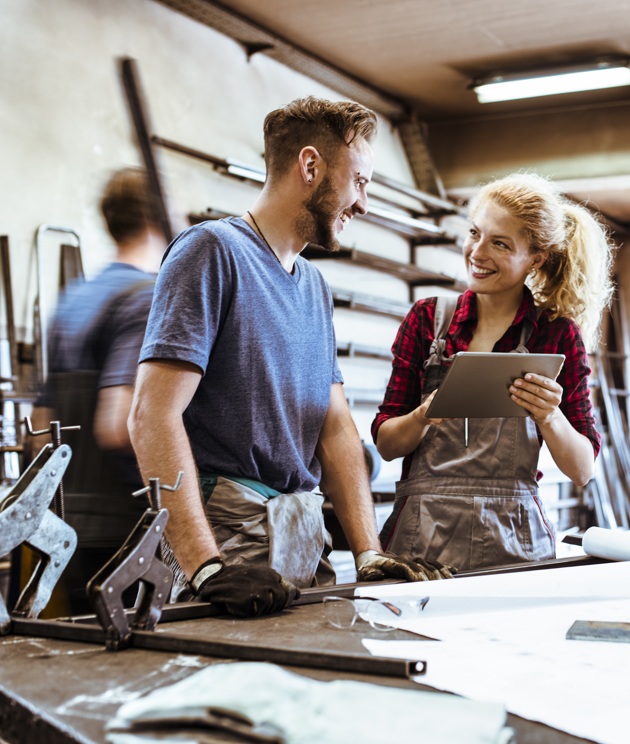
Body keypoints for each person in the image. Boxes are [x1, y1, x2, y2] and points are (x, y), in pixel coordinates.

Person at [128, 97, 450, 619]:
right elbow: (151, 416)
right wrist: (206, 567)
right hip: (226, 541)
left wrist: (368, 552)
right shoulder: (213, 252)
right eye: (360, 182)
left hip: (303, 532)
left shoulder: (314, 287)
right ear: (309, 166)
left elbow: (336, 427)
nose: (363, 204)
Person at [373, 173, 614, 571]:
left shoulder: (555, 334)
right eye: (474, 233)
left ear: (535, 258)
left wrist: (549, 416)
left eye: (499, 243)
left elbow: (582, 469)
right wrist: (423, 415)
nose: (476, 252)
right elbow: (385, 443)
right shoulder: (427, 321)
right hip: (421, 541)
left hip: (515, 542)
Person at [33, 168, 165, 614]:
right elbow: (116, 426)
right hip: (124, 530)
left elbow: (39, 429)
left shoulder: (73, 298)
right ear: (156, 217)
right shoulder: (145, 297)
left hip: (65, 527)